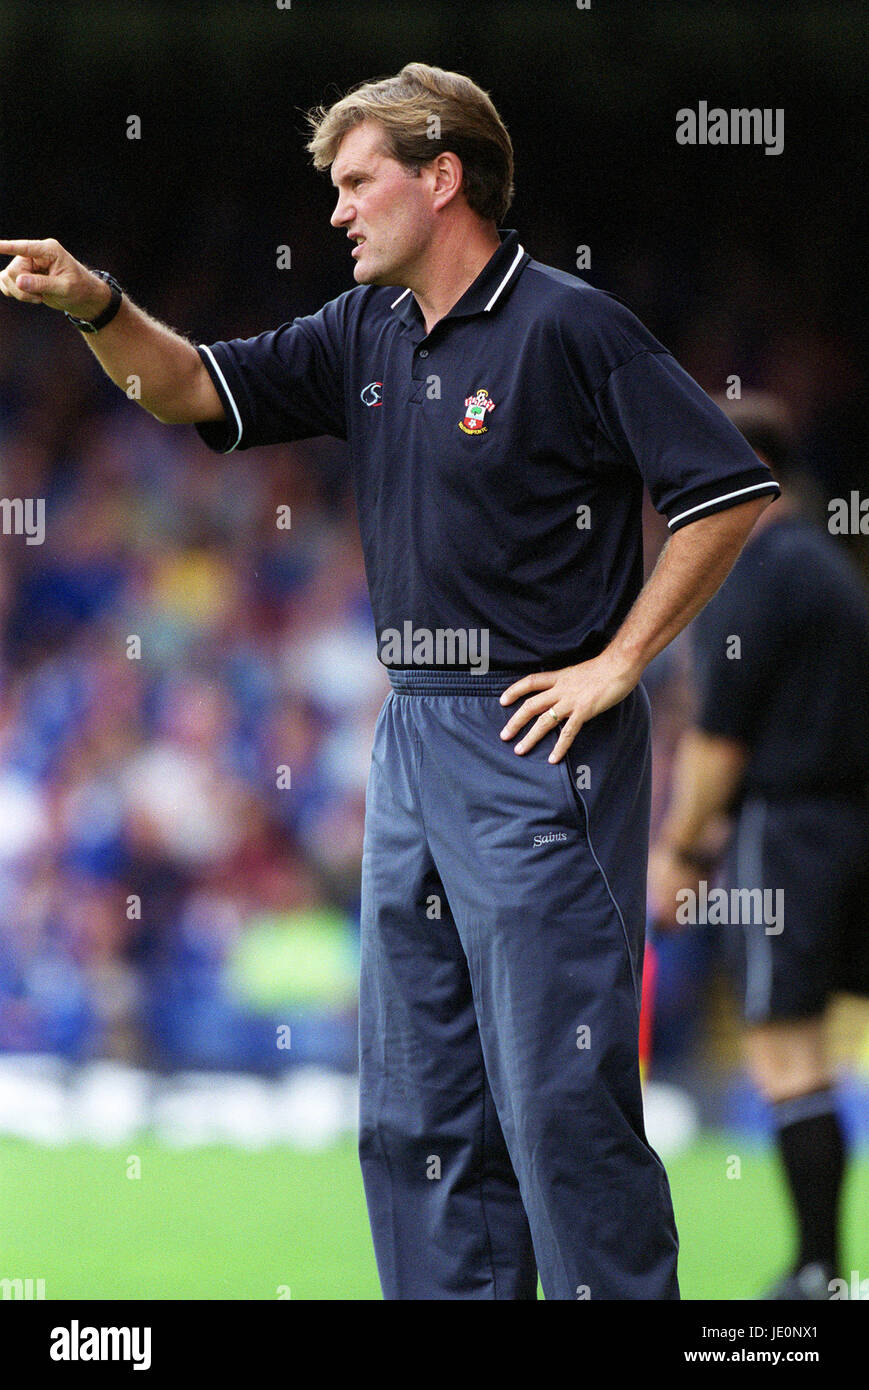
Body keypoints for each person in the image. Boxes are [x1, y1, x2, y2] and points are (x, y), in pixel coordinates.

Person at [0, 62, 780, 1300]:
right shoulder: (360, 330)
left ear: (441, 177)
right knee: (416, 1112)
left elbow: (726, 493)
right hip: (412, 735)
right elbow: (186, 384)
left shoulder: (571, 327)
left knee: (556, 1103)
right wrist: (98, 306)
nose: (337, 211)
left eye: (358, 182)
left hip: (536, 738)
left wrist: (618, 663)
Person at [649, 393, 869, 1300]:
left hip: (790, 832)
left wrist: (678, 851)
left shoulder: (753, 566)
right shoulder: (825, 564)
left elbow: (717, 740)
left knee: (785, 1049)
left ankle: (817, 1272)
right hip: (848, 820)